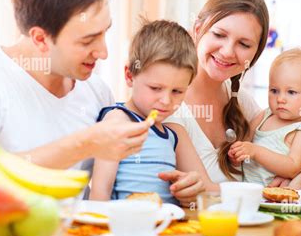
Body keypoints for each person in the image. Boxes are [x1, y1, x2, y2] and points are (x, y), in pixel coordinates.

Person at [0, 0, 202, 197]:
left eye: (105, 33)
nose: (103, 52)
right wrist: (82, 144)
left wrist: (184, 186)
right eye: (87, 40)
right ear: (41, 39)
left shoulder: (97, 91)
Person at [165, 0, 301, 187]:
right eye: (219, 34)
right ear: (198, 30)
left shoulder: (243, 102)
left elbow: (292, 153)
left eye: (244, 44)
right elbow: (203, 193)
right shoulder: (167, 101)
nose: (227, 52)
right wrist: (268, 195)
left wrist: (293, 176)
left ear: (255, 53)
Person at [90, 20, 213, 205]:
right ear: (130, 75)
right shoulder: (118, 121)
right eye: (156, 88)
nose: (166, 101)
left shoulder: (173, 134)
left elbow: (205, 191)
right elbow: (100, 192)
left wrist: (190, 190)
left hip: (170, 227)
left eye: (177, 91)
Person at [228, 48, 301, 186]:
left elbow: (292, 168)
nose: (280, 99)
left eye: (291, 92)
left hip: (278, 200)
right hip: (250, 193)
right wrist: (237, 155)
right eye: (274, 90)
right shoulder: (265, 116)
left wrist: (255, 151)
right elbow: (245, 142)